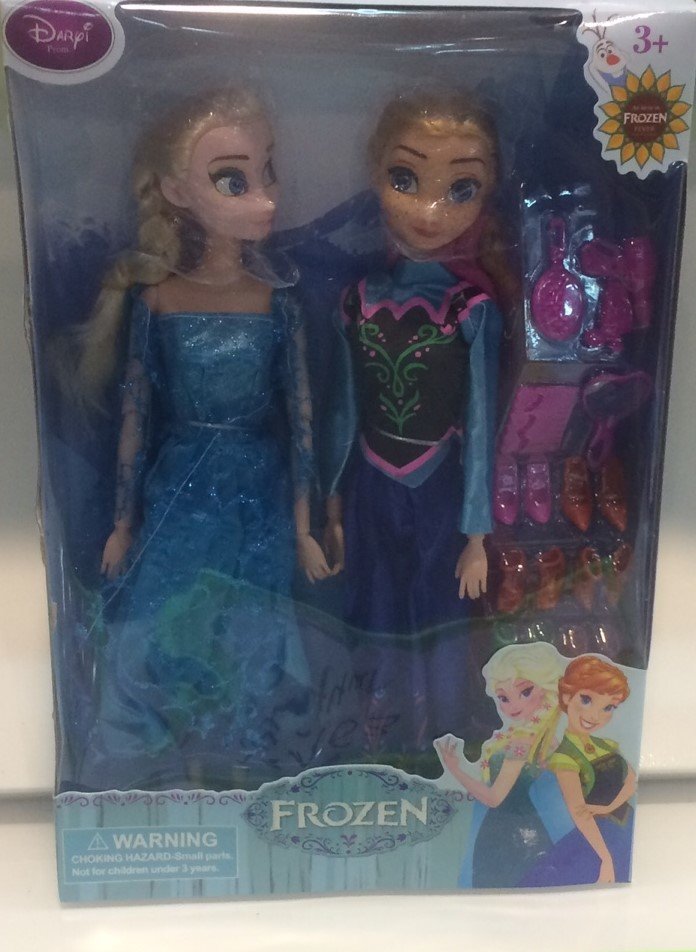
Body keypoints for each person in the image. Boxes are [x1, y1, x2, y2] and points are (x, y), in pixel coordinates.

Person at [63, 88, 330, 790]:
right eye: (232, 180)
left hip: (257, 490)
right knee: (163, 618)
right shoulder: (157, 299)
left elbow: (302, 416)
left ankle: (246, 768)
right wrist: (123, 522)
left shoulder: (279, 303)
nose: (266, 197)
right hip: (179, 485)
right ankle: (158, 768)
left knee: (254, 629)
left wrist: (305, 526)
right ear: (177, 191)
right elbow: (135, 414)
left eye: (267, 171)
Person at [322, 91, 510, 753]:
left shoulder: (471, 307)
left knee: (442, 615)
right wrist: (332, 503)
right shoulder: (359, 299)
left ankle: (446, 742)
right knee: (372, 607)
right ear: (376, 174)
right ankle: (377, 737)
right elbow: (343, 407)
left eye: (461, 188)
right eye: (406, 178)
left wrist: (477, 536)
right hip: (371, 484)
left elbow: (481, 422)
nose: (430, 211)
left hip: (440, 487)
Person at [436, 642, 566, 887]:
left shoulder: (523, 740)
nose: (512, 705)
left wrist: (455, 769)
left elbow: (494, 798)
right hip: (523, 830)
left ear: (545, 688)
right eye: (503, 697)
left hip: (507, 837)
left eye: (525, 692)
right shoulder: (544, 737)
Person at [522, 655, 634, 885]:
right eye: (586, 700)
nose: (595, 715)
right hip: (598, 837)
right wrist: (605, 858)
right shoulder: (565, 757)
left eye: (608, 707)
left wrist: (608, 807)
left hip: (628, 827)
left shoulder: (606, 745)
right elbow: (579, 812)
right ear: (567, 697)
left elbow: (632, 781)